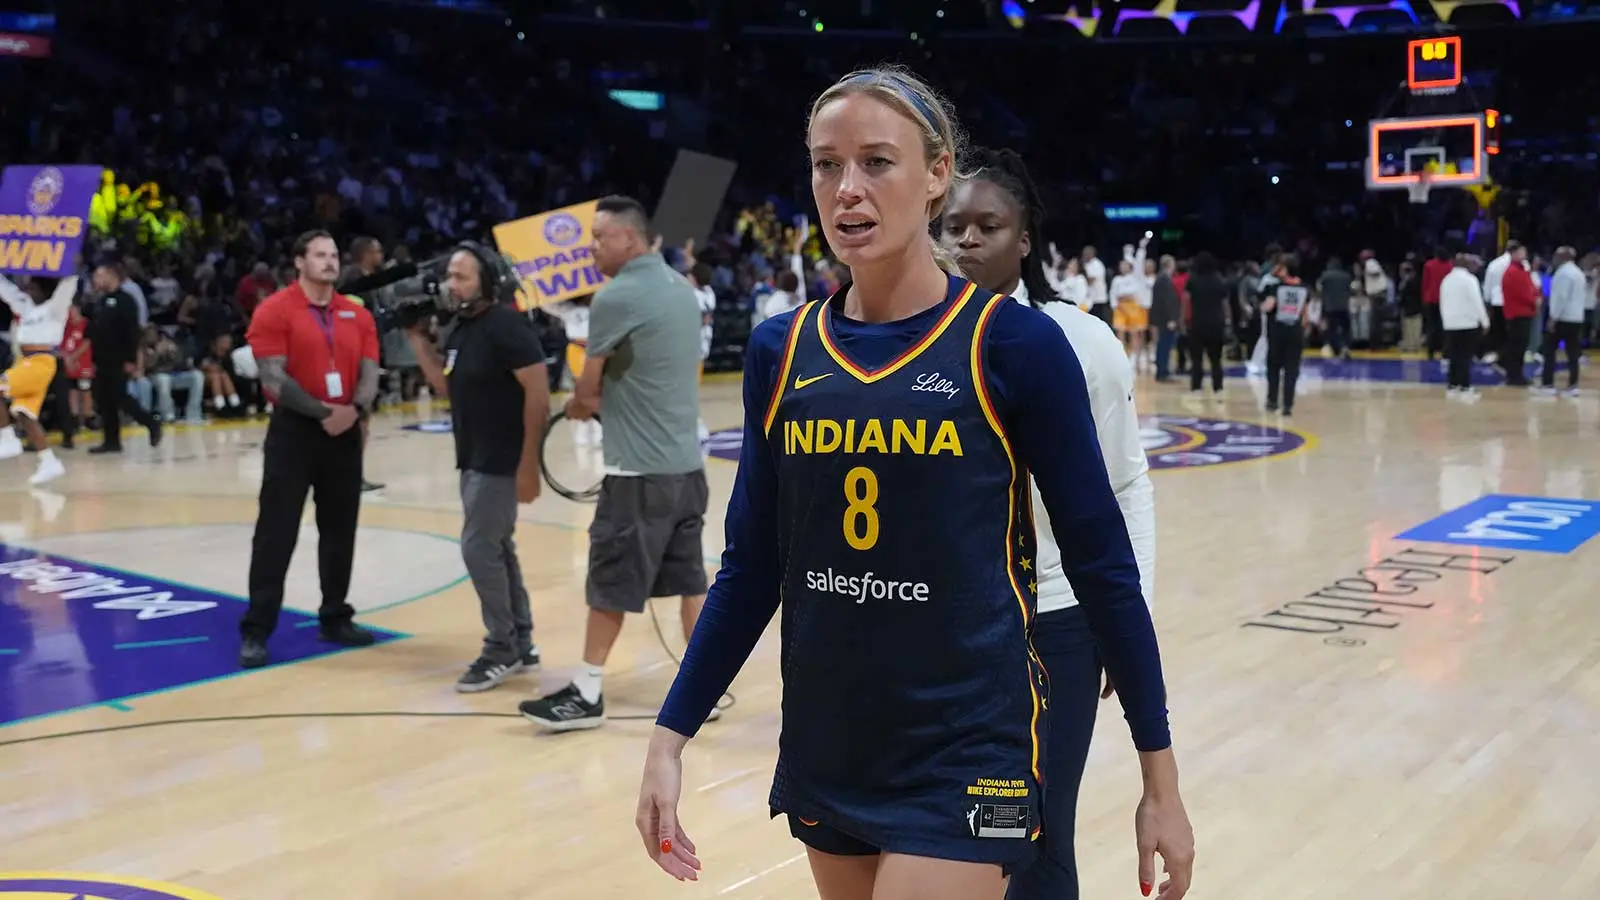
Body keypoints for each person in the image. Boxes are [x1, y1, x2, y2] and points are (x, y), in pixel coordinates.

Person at [634, 67, 1193, 900]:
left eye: (876, 162)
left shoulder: (1016, 346)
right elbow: (751, 568)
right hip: (831, 739)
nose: (846, 189)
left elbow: (1102, 564)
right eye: (827, 164)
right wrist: (669, 735)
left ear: (937, 174)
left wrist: (1160, 779)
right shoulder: (780, 350)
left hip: (968, 745)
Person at [938, 145, 1169, 900]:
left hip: (1055, 622)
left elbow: (1127, 484)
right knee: (941, 833)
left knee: (1032, 836)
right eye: (952, 226)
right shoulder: (906, 340)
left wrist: (1127, 624)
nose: (967, 240)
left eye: (988, 226)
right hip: (940, 623)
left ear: (1025, 240)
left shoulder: (1083, 340)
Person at [518, 195, 711, 732]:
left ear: (628, 238)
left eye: (599, 238)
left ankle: (586, 693)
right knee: (690, 581)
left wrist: (580, 405)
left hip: (637, 474)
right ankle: (706, 689)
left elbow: (586, 387)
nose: (592, 249)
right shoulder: (683, 289)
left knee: (610, 582)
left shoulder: (616, 296)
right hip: (687, 468)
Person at [407, 243, 549, 691]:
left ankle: (501, 647)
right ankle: (520, 639)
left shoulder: (507, 326)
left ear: (488, 281)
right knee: (496, 547)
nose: (451, 285)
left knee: (478, 548)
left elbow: (539, 395)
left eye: (461, 277)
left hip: (501, 459)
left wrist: (528, 464)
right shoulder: (462, 328)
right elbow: (446, 386)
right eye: (450, 276)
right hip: (473, 456)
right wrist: (417, 339)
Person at [239, 230, 381, 669]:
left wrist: (354, 409)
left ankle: (335, 616)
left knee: (340, 529)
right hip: (295, 431)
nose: (330, 262)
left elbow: (370, 370)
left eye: (334, 255)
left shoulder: (356, 313)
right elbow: (273, 378)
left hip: (345, 430)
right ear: (299, 262)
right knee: (276, 532)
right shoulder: (274, 309)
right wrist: (323, 412)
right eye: (320, 255)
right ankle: (257, 629)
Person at [0, 273, 79, 484]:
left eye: (33, 288)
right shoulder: (25, 306)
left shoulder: (55, 308)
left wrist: (71, 270)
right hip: (24, 362)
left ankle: (7, 437)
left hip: (41, 362)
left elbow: (67, 288)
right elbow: (6, 290)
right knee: (24, 413)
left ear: (45, 290)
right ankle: (49, 461)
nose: (28, 291)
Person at [85, 263, 162, 454]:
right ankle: (111, 441)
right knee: (104, 400)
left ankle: (150, 422)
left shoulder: (126, 300)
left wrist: (130, 359)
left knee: (120, 396)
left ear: (111, 276)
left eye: (99, 276)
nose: (95, 281)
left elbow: (132, 332)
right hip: (101, 358)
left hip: (118, 357)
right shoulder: (100, 301)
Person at [1262, 255, 1308, 415]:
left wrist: (1262, 305)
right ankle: (1288, 405)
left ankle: (1272, 401)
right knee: (1291, 370)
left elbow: (1268, 307)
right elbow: (1305, 316)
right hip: (1295, 332)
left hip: (1277, 333)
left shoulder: (1275, 288)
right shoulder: (1304, 288)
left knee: (1274, 367)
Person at [1440, 253, 1489, 401]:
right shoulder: (1470, 280)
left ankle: (1452, 385)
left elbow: (1442, 301)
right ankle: (1465, 386)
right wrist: (1485, 321)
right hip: (1467, 323)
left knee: (1453, 355)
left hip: (1450, 323)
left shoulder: (1446, 280)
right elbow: (1477, 301)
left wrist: (1445, 320)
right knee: (1465, 355)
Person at [1538, 246, 1585, 397]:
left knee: (1549, 351)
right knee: (1573, 353)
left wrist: (1553, 318)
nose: (1554, 258)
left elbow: (1561, 298)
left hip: (1563, 318)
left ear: (1563, 257)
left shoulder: (1563, 273)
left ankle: (1547, 384)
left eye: (1556, 256)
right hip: (1576, 318)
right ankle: (1573, 385)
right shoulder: (1578, 272)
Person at [1183, 253, 1229, 394]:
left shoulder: (1192, 280)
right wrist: (1227, 320)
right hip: (1216, 323)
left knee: (1196, 359)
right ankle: (1218, 386)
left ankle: (1196, 386)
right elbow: (1225, 303)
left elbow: (1185, 301)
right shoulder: (1219, 280)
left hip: (1197, 323)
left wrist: (1184, 319)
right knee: (1216, 359)